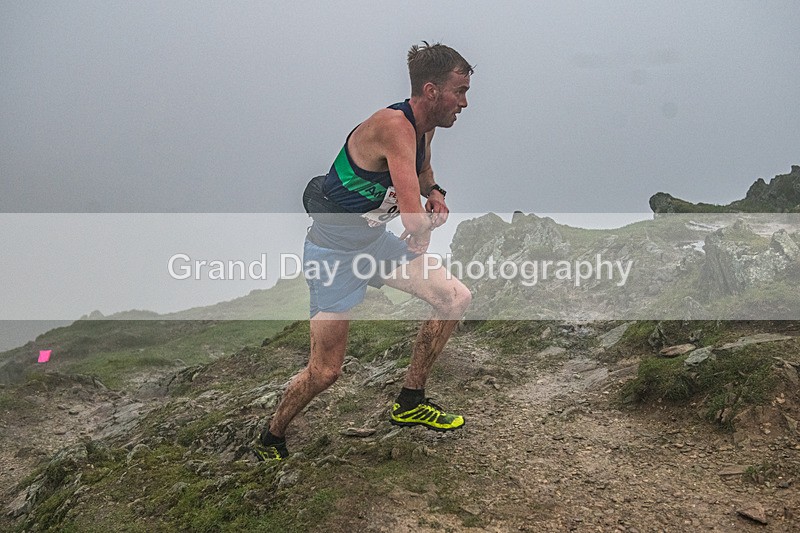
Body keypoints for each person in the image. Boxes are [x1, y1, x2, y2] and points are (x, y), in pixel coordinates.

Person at [254, 42, 474, 461]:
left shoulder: (424, 128)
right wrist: (423, 229)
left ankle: (410, 401)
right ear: (431, 91)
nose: (464, 103)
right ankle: (273, 433)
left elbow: (422, 169)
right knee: (325, 372)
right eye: (459, 91)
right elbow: (412, 224)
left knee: (454, 298)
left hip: (373, 243)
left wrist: (436, 192)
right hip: (333, 255)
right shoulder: (393, 126)